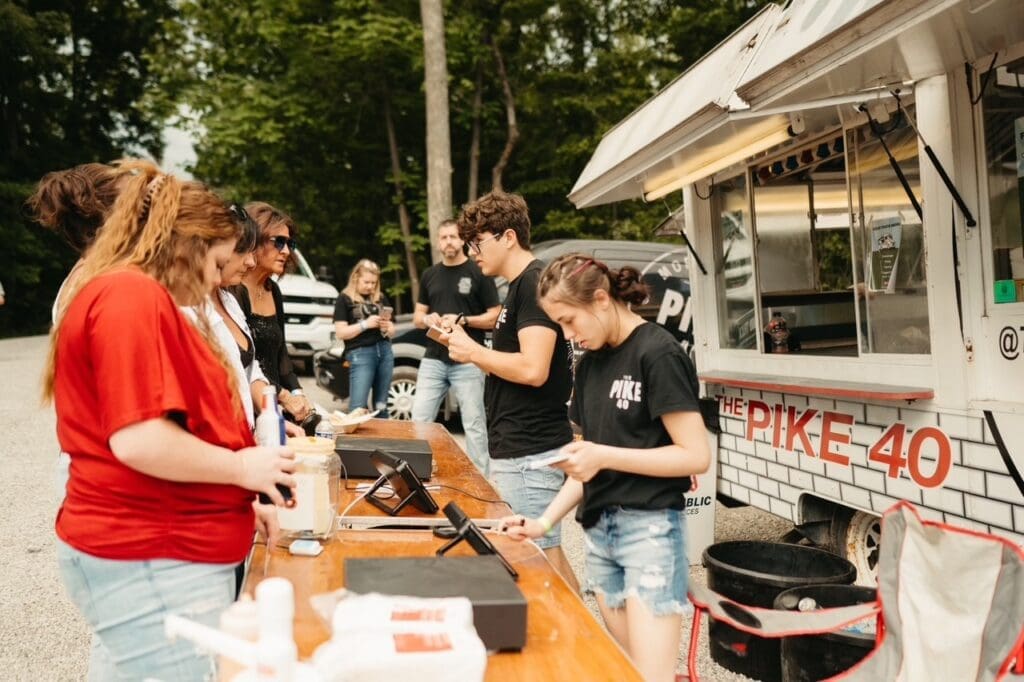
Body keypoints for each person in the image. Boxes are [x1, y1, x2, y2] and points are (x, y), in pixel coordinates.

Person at [43, 161, 296, 680]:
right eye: (216, 263)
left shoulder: (134, 294)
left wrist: (238, 498)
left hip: (162, 549)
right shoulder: (129, 295)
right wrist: (242, 469)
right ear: (183, 244)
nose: (217, 281)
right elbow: (139, 439)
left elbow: (183, 427)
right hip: (154, 550)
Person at [501, 253, 711, 682]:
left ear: (600, 299)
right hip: (600, 535)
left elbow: (695, 455)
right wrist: (542, 523)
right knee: (628, 670)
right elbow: (587, 462)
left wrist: (604, 455)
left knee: (651, 676)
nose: (568, 335)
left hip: (650, 531)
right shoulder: (590, 364)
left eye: (568, 321)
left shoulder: (658, 352)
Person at [445, 191, 578, 591]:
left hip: (529, 449)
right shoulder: (519, 286)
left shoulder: (533, 283)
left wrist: (472, 352)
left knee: (539, 563)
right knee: (544, 558)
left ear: (508, 237)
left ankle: (581, 631)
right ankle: (582, 628)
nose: (472, 253)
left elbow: (534, 369)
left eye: (477, 243)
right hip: (519, 446)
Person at [411, 219, 500, 473]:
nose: (448, 242)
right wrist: (427, 319)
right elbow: (418, 316)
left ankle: (481, 480)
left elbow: (495, 315)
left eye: (453, 236)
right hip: (433, 357)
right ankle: (416, 472)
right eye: (444, 237)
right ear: (438, 242)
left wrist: (464, 320)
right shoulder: (430, 274)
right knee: (419, 419)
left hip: (467, 359)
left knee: (474, 423)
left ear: (462, 240)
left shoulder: (478, 271)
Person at [233, 201, 313, 424]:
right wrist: (284, 396)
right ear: (254, 240)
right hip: (250, 407)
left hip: (275, 406)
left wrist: (298, 393)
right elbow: (244, 363)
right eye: (278, 242)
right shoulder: (234, 291)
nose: (286, 251)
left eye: (289, 243)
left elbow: (281, 354)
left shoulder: (273, 289)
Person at [333, 259, 396, 416]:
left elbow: (392, 330)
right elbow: (340, 333)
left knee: (382, 405)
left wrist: (388, 327)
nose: (370, 286)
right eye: (366, 282)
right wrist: (365, 324)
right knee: (358, 407)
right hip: (360, 353)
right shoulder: (344, 298)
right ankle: (356, 433)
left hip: (385, 350)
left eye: (374, 283)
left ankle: (382, 432)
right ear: (356, 278)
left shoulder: (380, 298)